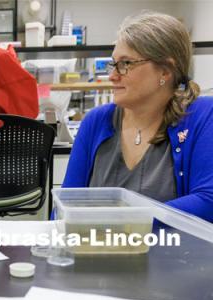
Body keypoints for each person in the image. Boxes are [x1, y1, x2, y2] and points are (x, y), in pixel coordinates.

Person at [62, 11, 213, 222]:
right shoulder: (96, 122)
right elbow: (64, 208)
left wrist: (120, 223)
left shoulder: (201, 116)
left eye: (125, 64)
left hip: (173, 252)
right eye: (113, 64)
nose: (113, 76)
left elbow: (208, 202)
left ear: (165, 71)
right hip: (101, 252)